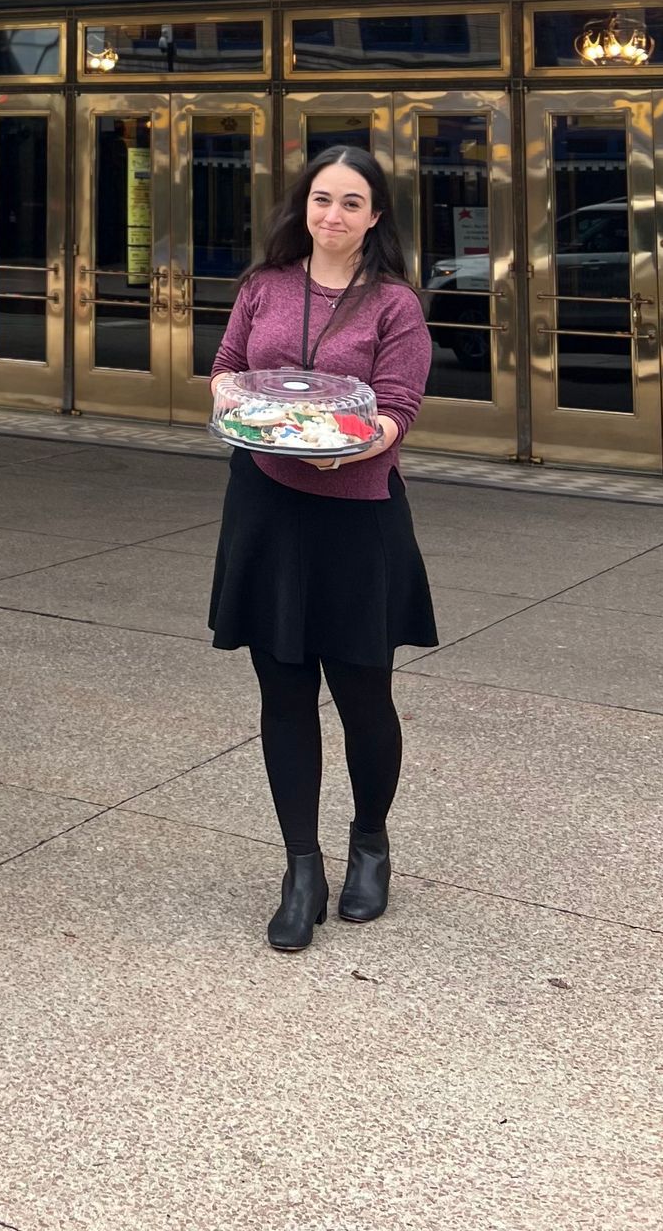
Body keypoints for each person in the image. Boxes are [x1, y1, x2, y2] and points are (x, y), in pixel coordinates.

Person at [206, 145, 438, 951]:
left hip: (356, 516)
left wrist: (360, 442)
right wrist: (235, 406)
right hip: (267, 510)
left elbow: (400, 407)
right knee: (283, 692)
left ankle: (369, 840)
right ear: (301, 206)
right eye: (319, 199)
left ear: (374, 217)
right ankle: (300, 867)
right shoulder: (262, 287)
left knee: (365, 695)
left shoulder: (394, 306)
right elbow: (228, 370)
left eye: (349, 203)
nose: (330, 215)